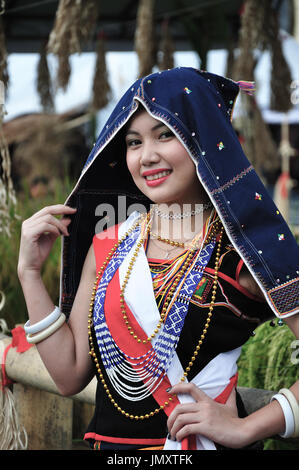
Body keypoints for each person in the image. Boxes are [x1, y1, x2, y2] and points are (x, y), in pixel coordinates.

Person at [17, 68, 299, 451]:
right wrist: (30, 273)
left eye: (166, 134)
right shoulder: (108, 247)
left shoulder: (245, 250)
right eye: (133, 142)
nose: (147, 156)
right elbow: (68, 376)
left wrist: (249, 427)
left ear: (205, 139)